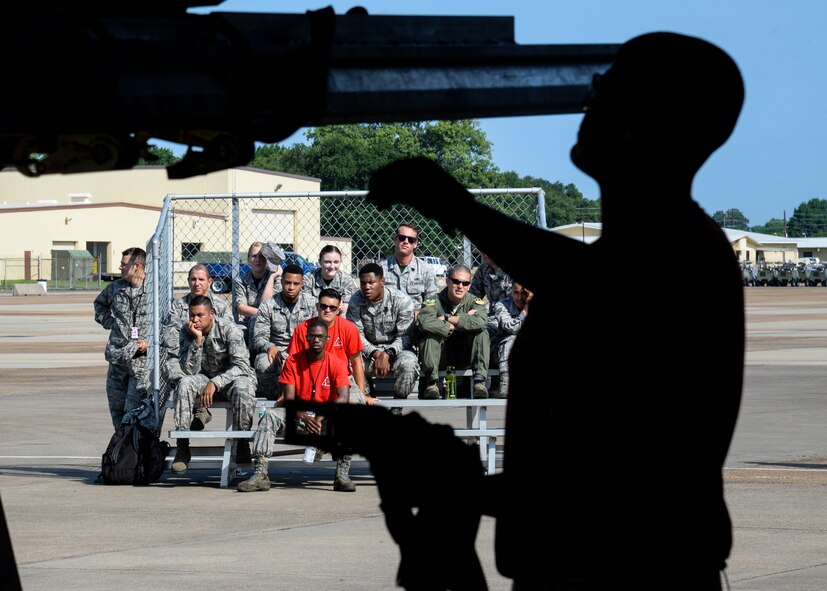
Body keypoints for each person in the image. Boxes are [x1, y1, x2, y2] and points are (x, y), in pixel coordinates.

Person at [365, 31, 745, 590]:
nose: (589, 100)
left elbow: (620, 487)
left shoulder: (677, 256)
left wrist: (457, 205)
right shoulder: (653, 254)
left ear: (650, 123)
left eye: (608, 90)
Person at [237, 320, 356, 493]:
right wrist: (305, 417)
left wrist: (319, 417)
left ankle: (342, 476)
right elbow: (290, 399)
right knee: (270, 415)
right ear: (306, 338)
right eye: (312, 336)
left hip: (325, 418)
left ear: (327, 339)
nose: (316, 340)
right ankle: (260, 475)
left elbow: (343, 397)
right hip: (298, 416)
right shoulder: (293, 361)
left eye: (320, 336)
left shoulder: (336, 363)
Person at [170, 295, 257, 474]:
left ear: (211, 313)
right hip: (203, 379)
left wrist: (215, 382)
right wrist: (197, 341)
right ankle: (182, 446)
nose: (195, 320)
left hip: (231, 379)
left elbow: (242, 366)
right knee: (185, 383)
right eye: (192, 315)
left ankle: (242, 443)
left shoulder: (229, 329)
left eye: (200, 315)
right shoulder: (187, 331)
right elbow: (189, 370)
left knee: (244, 388)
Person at [161, 263, 231, 428]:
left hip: (214, 360)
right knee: (172, 369)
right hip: (187, 358)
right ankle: (193, 417)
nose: (196, 283)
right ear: (188, 281)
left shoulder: (220, 306)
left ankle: (200, 407)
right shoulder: (179, 307)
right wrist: (192, 341)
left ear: (209, 281)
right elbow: (171, 340)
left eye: (201, 279)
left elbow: (226, 335)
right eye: (193, 279)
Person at [93, 247, 150, 429]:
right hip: (118, 358)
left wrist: (151, 342)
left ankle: (134, 447)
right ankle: (122, 448)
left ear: (137, 266)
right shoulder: (116, 288)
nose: (120, 268)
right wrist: (109, 322)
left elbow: (168, 321)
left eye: (124, 265)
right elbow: (99, 305)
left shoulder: (154, 291)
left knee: (133, 409)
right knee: (116, 408)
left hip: (141, 361)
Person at [346, 263, 419, 402]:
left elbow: (405, 336)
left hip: (397, 351)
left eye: (371, 282)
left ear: (382, 282)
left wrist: (388, 353)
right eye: (363, 283)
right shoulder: (356, 300)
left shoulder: (401, 300)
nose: (366, 287)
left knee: (409, 364)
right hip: (368, 353)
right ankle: (367, 399)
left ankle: (397, 406)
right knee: (349, 363)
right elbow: (356, 335)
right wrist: (376, 353)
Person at [417, 264, 490, 399]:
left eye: (465, 283)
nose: (460, 286)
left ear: (469, 285)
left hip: (465, 354)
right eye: (456, 281)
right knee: (430, 337)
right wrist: (465, 319)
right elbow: (425, 322)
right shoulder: (434, 301)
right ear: (447, 281)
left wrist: (446, 318)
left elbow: (481, 322)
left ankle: (479, 382)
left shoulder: (475, 302)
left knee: (481, 332)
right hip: (440, 355)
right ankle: (432, 384)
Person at [251, 263, 317, 400]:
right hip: (277, 352)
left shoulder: (312, 305)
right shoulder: (268, 305)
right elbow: (259, 336)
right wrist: (269, 346)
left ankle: (300, 395)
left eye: (296, 283)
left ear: (302, 284)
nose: (291, 287)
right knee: (263, 363)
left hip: (303, 352)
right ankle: (276, 398)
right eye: (287, 282)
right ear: (281, 282)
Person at [379, 222, 438, 315]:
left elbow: (432, 300)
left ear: (415, 244)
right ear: (395, 240)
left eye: (411, 240)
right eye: (402, 238)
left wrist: (420, 313)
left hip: (414, 320)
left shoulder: (426, 270)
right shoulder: (381, 269)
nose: (406, 241)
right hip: (387, 319)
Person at [486, 281, 531, 398]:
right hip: (499, 350)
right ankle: (506, 384)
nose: (519, 298)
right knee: (512, 339)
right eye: (516, 293)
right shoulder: (501, 305)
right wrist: (526, 310)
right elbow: (511, 328)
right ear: (511, 291)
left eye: (523, 293)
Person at [233, 241, 282, 346]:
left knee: (255, 319)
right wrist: (264, 314)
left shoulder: (276, 279)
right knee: (236, 331)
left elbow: (266, 303)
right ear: (248, 260)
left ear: (267, 260)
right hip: (248, 322)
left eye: (262, 256)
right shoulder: (241, 281)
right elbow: (241, 308)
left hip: (271, 323)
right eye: (254, 256)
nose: (258, 260)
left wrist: (272, 277)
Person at [303, 244, 354, 316]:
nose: (332, 266)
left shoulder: (346, 279)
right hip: (315, 319)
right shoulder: (309, 279)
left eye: (336, 262)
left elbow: (345, 307)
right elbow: (306, 305)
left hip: (337, 318)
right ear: (320, 262)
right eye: (327, 262)